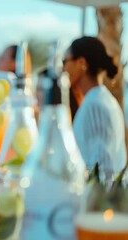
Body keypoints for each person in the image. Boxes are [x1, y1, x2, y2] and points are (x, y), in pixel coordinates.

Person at [63, 36, 126, 175]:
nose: (63, 68)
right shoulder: (102, 99)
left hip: (99, 196)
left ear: (81, 63)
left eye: (65, 61)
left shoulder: (94, 106)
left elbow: (101, 169)